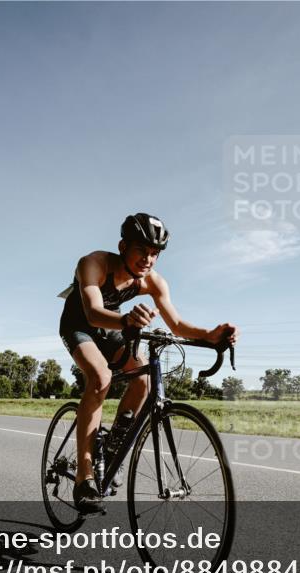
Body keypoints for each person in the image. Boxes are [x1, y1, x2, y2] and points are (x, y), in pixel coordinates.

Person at [59, 213, 239, 508]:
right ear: (122, 246)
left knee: (142, 380)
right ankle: (84, 476)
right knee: (100, 378)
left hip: (115, 326)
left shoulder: (153, 282)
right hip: (79, 324)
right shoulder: (93, 263)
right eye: (141, 250)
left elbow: (177, 324)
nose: (148, 259)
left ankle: (113, 447)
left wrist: (211, 334)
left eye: (155, 253)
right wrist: (127, 320)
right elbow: (92, 312)